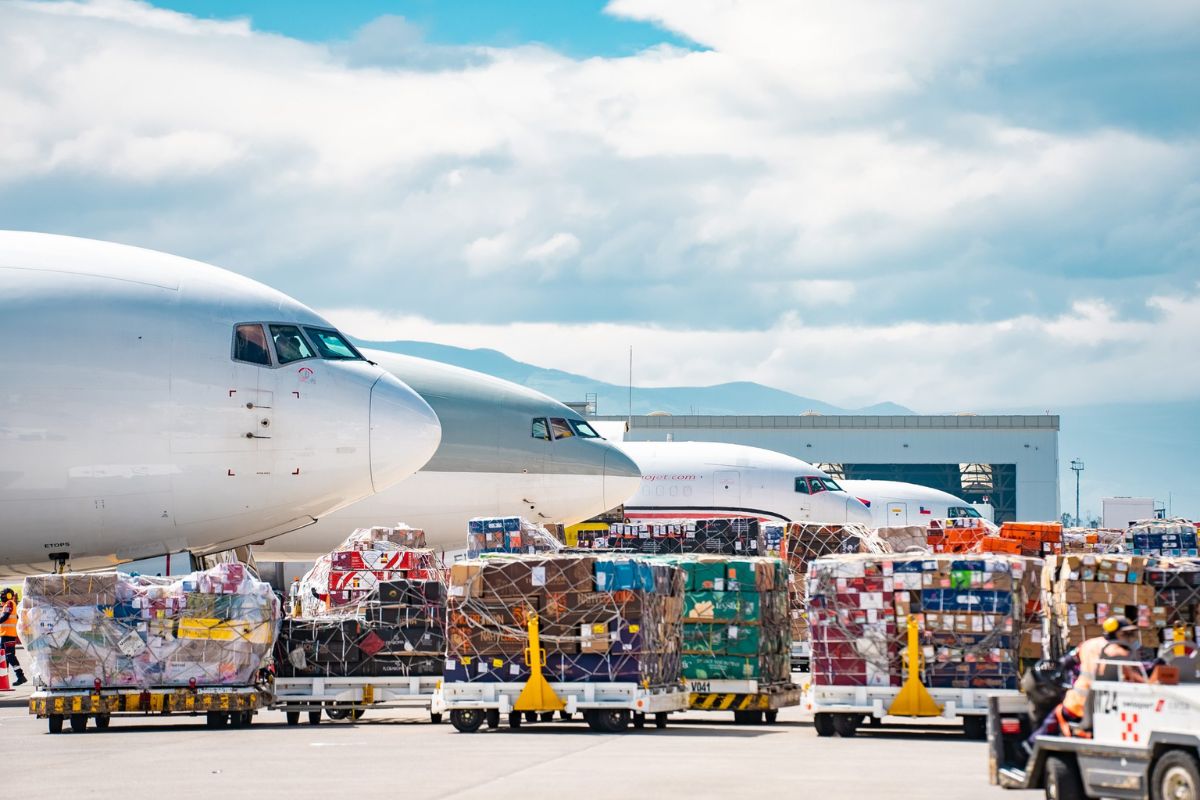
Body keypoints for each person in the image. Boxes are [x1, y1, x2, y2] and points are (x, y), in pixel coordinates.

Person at [1027, 615, 1143, 745]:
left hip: (1078, 703)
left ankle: (1031, 745)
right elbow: (1138, 678)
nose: (1130, 637)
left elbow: (1065, 662)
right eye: (1126, 634)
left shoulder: (1089, 644)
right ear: (1116, 633)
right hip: (1104, 706)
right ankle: (1032, 746)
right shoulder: (1121, 653)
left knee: (1053, 719)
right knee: (1056, 718)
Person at [0, 588, 26, 686]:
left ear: (9, 596)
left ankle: (20, 676)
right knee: (3, 658)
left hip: (8, 635)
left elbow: (5, 616)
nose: (2, 596)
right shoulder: (6, 605)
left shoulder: (10, 603)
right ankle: (3, 678)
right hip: (4, 635)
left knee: (9, 656)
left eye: (4, 594)